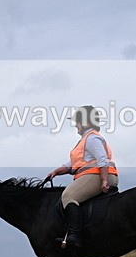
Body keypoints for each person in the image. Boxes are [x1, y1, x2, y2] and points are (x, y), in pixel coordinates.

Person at [46, 105, 119, 248]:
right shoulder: (86, 140)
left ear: (85, 122)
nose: (75, 125)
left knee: (67, 196)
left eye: (77, 122)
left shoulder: (91, 139)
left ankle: (74, 235)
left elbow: (102, 159)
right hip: (97, 174)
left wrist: (104, 180)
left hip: (96, 175)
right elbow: (73, 163)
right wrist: (57, 171)